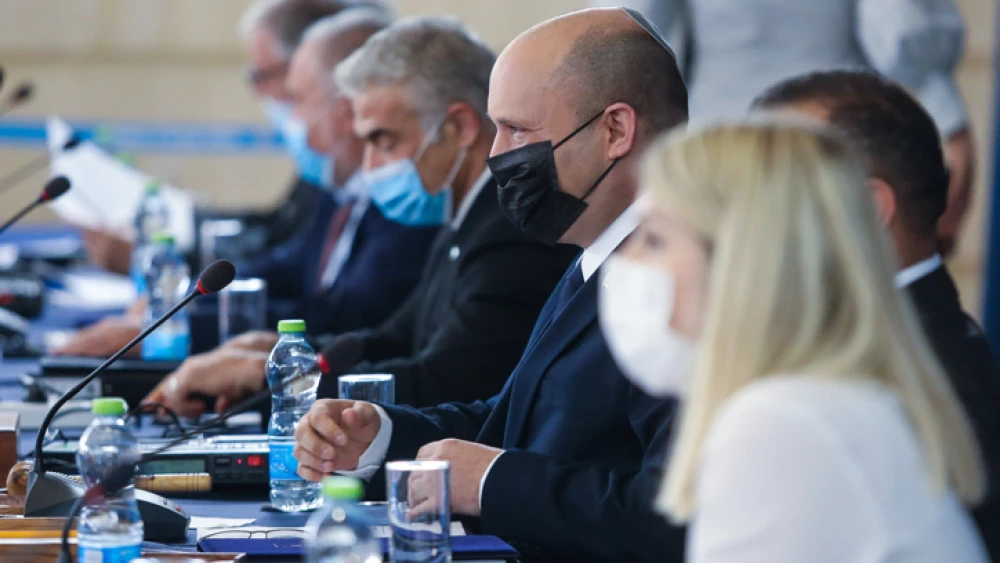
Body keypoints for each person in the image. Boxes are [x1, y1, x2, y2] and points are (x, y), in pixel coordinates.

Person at [290, 8, 689, 562]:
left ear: (615, 131)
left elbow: (672, 519)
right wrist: (376, 436)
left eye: (518, 129)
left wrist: (489, 482)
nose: (496, 154)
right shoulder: (596, 254)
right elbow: (514, 419)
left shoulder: (684, 283)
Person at [145, 16, 578, 415]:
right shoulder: (464, 215)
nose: (369, 167)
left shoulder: (510, 230)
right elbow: (395, 339)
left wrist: (271, 379)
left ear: (458, 127)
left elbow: (444, 382)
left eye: (385, 142)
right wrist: (281, 351)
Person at [600, 118, 988, 561]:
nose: (628, 259)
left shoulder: (780, 422)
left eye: (654, 239)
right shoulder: (817, 403)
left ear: (743, 263)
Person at [752, 69, 1000, 558]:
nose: (743, 216)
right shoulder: (909, 344)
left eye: (773, 185)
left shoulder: (915, 378)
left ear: (866, 206)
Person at [595, 0, 976, 255]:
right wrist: (954, 131)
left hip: (717, 156)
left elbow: (628, 33)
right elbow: (900, 26)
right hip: (828, 153)